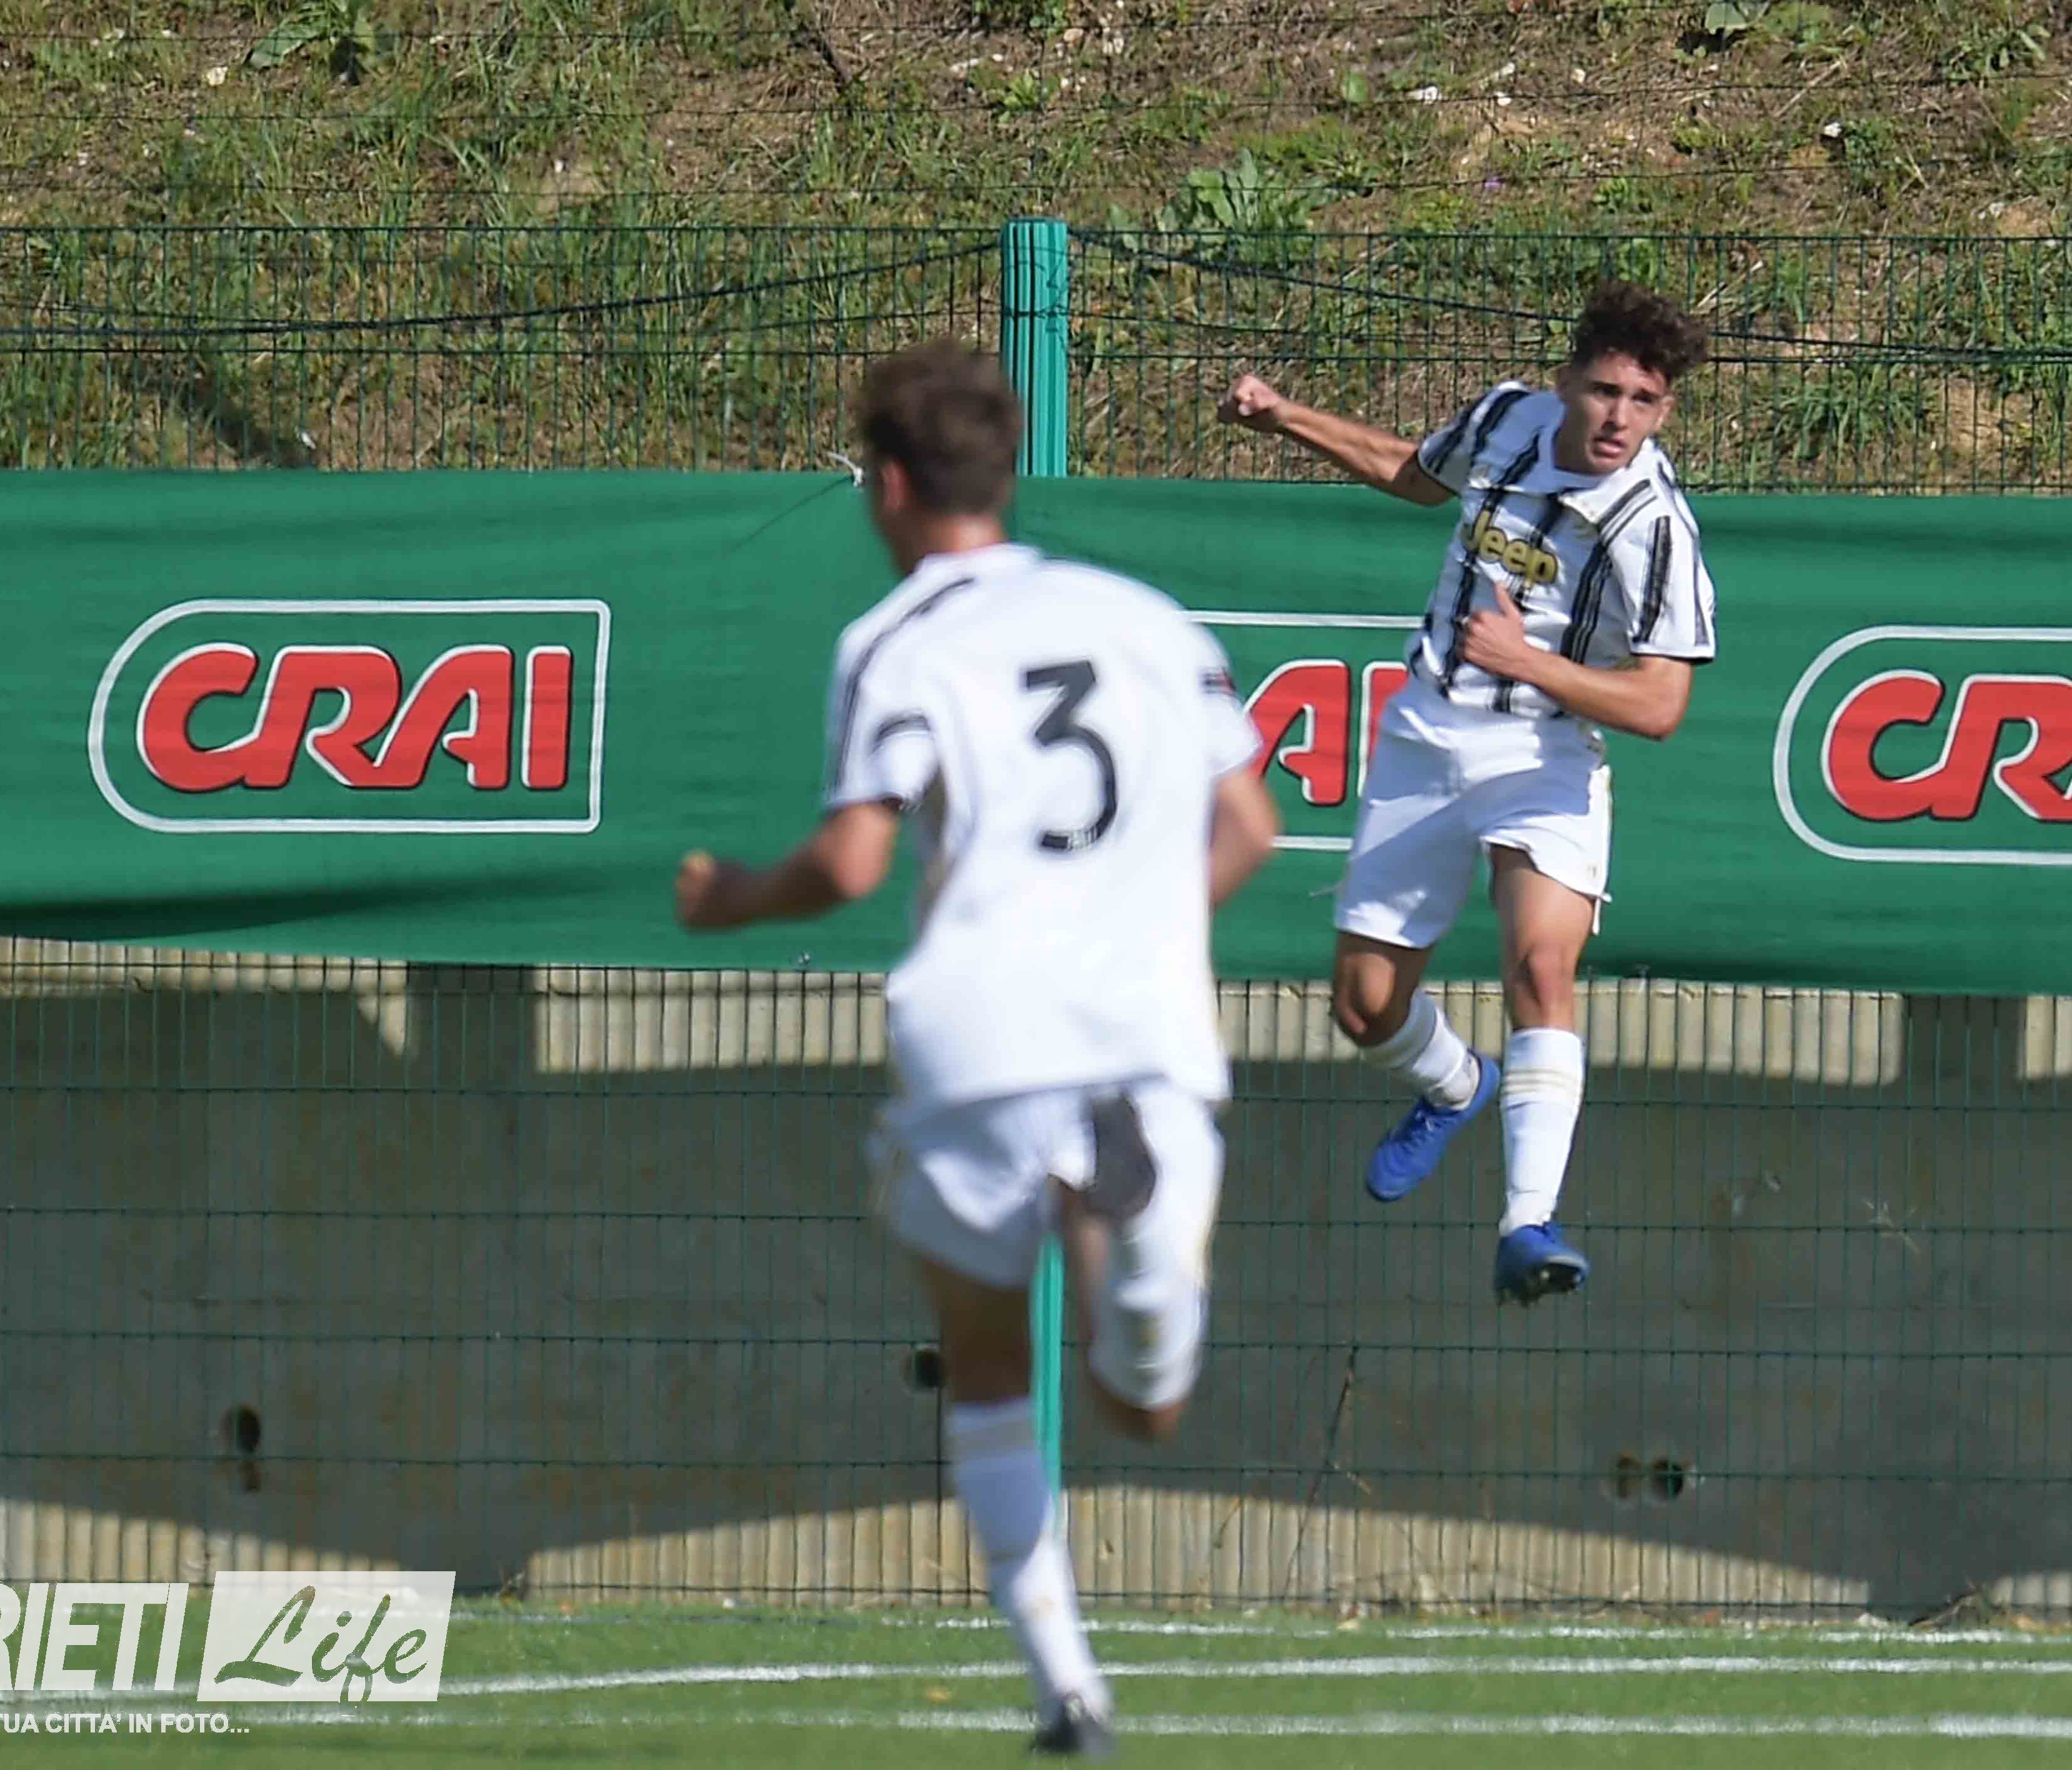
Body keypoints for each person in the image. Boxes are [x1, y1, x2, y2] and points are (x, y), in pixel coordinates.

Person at [676, 340, 1280, 1757]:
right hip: (1141, 1026)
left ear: (887, 485)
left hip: (983, 1030)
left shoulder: (896, 642)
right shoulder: (1142, 616)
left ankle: (1068, 1687)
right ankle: (1137, 1268)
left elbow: (850, 859)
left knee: (987, 1364)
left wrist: (733, 899)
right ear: (999, 475)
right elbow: (1250, 824)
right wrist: (1126, 920)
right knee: (1146, 1408)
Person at [1214, 282, 1717, 1307]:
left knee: (1540, 965)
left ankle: (1528, 1223)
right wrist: (1284, 417)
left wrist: (1530, 664)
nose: (1620, 418)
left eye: (1645, 401)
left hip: (1547, 756)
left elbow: (1662, 703)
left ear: (1666, 409)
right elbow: (1416, 473)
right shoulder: (1506, 419)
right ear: (1566, 381)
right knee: (1365, 1008)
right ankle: (1456, 1086)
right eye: (1606, 390)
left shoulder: (1653, 524)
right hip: (1428, 734)